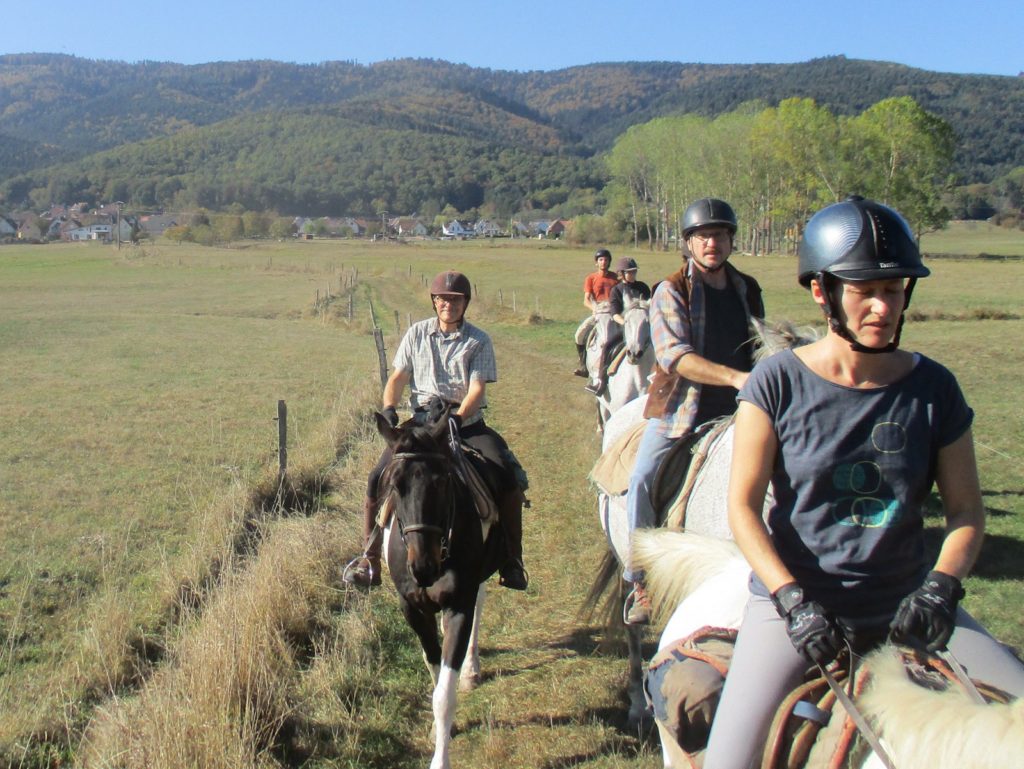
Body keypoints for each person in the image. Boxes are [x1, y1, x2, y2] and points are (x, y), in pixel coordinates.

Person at [704, 196, 1024, 769]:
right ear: (822, 292)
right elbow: (744, 510)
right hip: (796, 610)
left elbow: (967, 514)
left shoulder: (936, 389)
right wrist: (791, 599)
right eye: (863, 290)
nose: (881, 306)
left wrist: (941, 588)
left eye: (894, 290)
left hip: (907, 605)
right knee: (729, 761)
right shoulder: (776, 384)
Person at [624, 198, 764, 624]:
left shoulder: (748, 289)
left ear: (730, 241)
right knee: (642, 479)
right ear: (688, 243)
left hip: (745, 410)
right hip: (684, 410)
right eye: (703, 236)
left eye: (720, 235)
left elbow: (759, 346)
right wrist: (736, 378)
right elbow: (675, 356)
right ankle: (639, 580)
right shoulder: (672, 290)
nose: (712, 243)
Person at [342, 270, 529, 591]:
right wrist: (389, 406)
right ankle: (369, 557)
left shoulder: (478, 340)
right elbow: (398, 378)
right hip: (421, 426)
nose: (449, 305)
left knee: (507, 473)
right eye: (443, 299)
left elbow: (476, 389)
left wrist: (457, 418)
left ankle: (512, 558)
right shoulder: (416, 334)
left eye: (456, 300)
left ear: (465, 303)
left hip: (465, 424)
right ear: (434, 302)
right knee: (377, 477)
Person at [585, 257, 653, 395]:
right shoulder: (617, 290)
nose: (633, 274)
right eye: (629, 272)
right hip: (623, 328)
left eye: (634, 271)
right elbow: (615, 314)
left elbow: (649, 307)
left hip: (643, 327)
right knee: (608, 346)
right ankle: (601, 382)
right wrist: (626, 324)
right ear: (622, 273)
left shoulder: (643, 287)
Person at [574, 248, 620, 378]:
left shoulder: (616, 278)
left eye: (606, 259)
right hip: (598, 311)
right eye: (601, 260)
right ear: (596, 262)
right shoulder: (591, 278)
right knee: (579, 335)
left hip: (613, 312)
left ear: (609, 262)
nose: (603, 262)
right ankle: (584, 366)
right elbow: (586, 300)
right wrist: (594, 309)